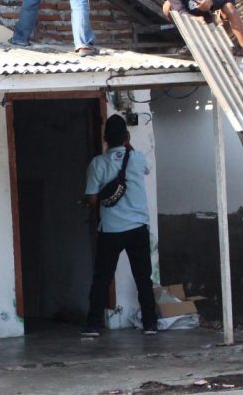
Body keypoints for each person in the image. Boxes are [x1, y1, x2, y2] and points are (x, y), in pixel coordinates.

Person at [81, 114, 158, 336]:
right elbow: (142, 166)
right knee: (143, 277)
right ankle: (150, 324)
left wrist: (85, 201)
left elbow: (93, 199)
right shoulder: (137, 158)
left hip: (111, 230)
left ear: (105, 138)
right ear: (126, 136)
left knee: (102, 278)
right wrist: (127, 144)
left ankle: (93, 325)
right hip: (138, 228)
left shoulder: (98, 163)